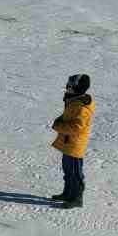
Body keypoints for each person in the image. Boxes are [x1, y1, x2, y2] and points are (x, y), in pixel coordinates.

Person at [50, 73, 95, 207]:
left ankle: (76, 198)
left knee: (76, 173)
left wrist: (59, 125)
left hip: (75, 145)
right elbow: (68, 116)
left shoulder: (82, 107)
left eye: (69, 86)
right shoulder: (73, 100)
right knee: (68, 170)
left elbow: (77, 127)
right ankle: (68, 193)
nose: (66, 88)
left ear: (76, 88)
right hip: (68, 142)